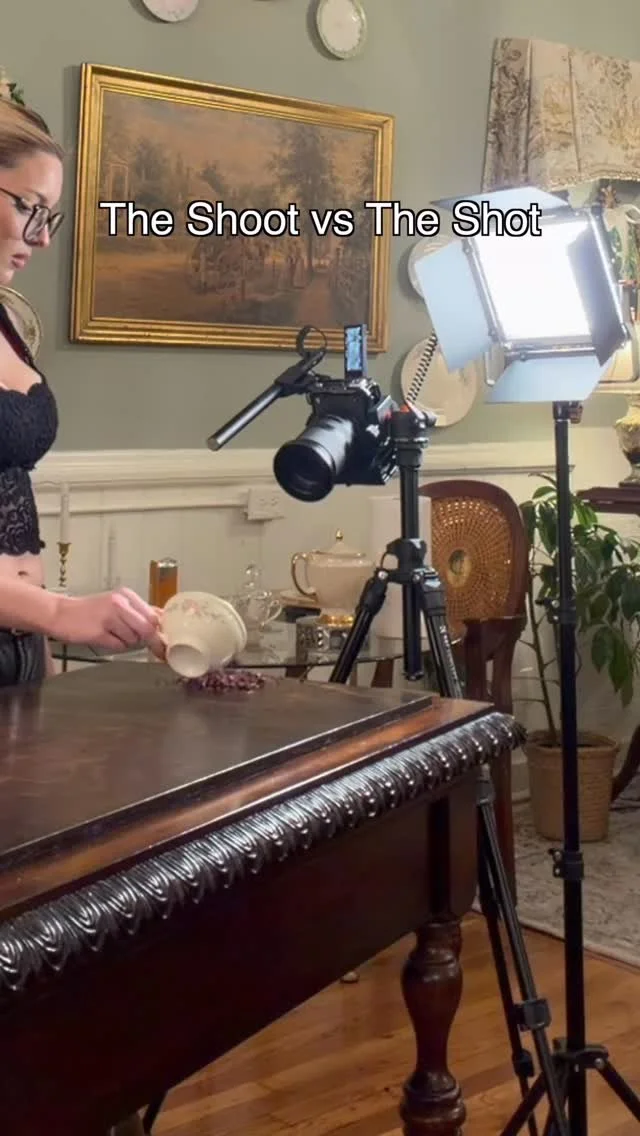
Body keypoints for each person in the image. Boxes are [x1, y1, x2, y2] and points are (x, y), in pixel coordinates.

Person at [0, 94, 165, 684]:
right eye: (30, 207)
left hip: (20, 649)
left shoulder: (8, 322)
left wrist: (41, 647)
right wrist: (60, 613)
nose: (43, 238)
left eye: (49, 216)